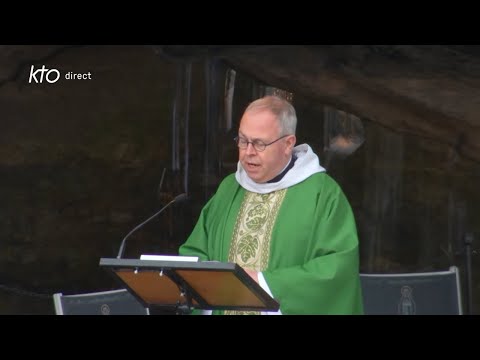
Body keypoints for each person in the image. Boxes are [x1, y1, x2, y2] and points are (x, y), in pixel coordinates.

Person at [179, 95, 363, 315]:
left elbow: (336, 271)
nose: (248, 152)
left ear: (288, 144)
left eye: (259, 143)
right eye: (243, 140)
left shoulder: (322, 194)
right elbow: (195, 253)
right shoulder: (229, 189)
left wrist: (265, 283)